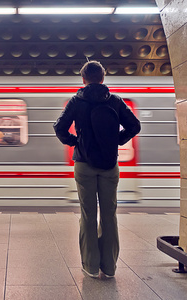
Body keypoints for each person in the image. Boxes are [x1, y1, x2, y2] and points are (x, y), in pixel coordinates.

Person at [53, 61, 140, 278]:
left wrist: (76, 142)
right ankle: (109, 267)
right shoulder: (115, 101)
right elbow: (135, 125)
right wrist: (116, 141)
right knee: (109, 215)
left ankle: (91, 266)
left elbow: (59, 127)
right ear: (103, 78)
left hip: (84, 164)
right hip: (110, 165)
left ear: (83, 79)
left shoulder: (77, 101)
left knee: (88, 215)